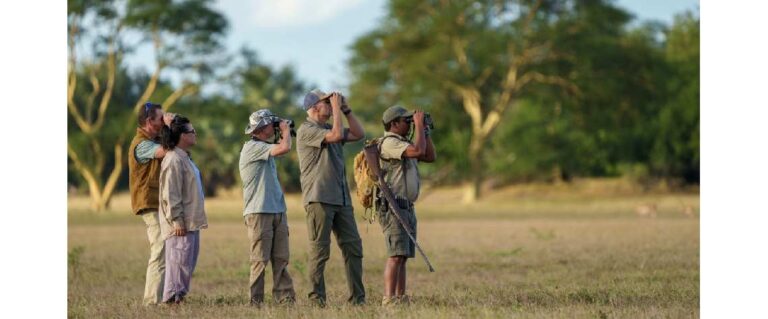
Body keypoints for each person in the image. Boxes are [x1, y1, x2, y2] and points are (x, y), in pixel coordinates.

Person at [296, 89, 366, 306]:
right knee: (320, 250)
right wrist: (336, 110)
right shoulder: (306, 130)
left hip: (341, 199)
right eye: (326, 102)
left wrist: (346, 109)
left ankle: (358, 299)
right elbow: (336, 136)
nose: (330, 103)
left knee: (353, 248)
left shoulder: (329, 126)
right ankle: (316, 299)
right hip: (319, 198)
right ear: (314, 107)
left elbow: (358, 134)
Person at [376, 105, 436, 305]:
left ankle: (400, 298)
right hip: (393, 206)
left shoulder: (404, 143)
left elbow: (429, 156)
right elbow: (419, 150)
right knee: (395, 255)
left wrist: (424, 131)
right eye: (406, 121)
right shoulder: (389, 143)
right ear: (394, 124)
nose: (409, 123)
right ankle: (388, 298)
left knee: (402, 256)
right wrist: (418, 126)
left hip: (406, 206)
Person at [239, 109, 296, 306]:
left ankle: (286, 299)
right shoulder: (252, 147)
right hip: (259, 211)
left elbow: (280, 146)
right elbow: (285, 148)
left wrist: (283, 131)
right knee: (259, 260)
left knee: (281, 259)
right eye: (272, 124)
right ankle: (256, 302)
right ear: (262, 127)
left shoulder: (264, 148)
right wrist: (285, 130)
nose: (274, 127)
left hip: (276, 210)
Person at [128, 102, 175, 306]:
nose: (163, 122)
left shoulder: (152, 139)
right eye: (160, 118)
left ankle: (164, 297)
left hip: (159, 203)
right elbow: (166, 151)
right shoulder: (142, 144)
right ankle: (151, 302)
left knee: (166, 249)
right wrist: (171, 127)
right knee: (160, 249)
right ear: (149, 121)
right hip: (149, 203)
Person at [158, 115, 208, 304]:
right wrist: (177, 219)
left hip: (191, 220)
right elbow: (170, 194)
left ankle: (179, 298)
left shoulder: (184, 157)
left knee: (186, 262)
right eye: (191, 131)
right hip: (180, 223)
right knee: (178, 263)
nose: (195, 134)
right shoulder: (173, 159)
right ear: (181, 136)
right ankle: (172, 301)